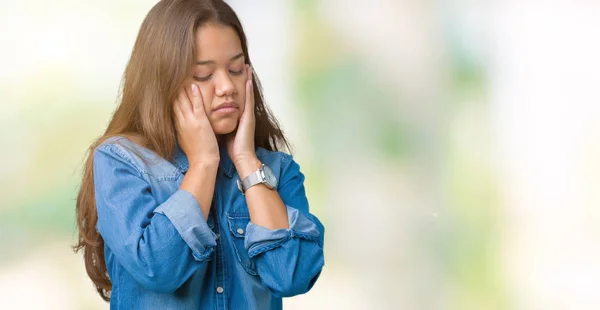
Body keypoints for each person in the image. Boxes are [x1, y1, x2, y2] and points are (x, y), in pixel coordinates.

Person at [73, 0, 325, 309]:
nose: (226, 87)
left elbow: (292, 277)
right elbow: (158, 268)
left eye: (235, 69)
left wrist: (246, 161)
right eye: (203, 75)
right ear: (164, 82)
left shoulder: (277, 170)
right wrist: (204, 163)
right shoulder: (121, 162)